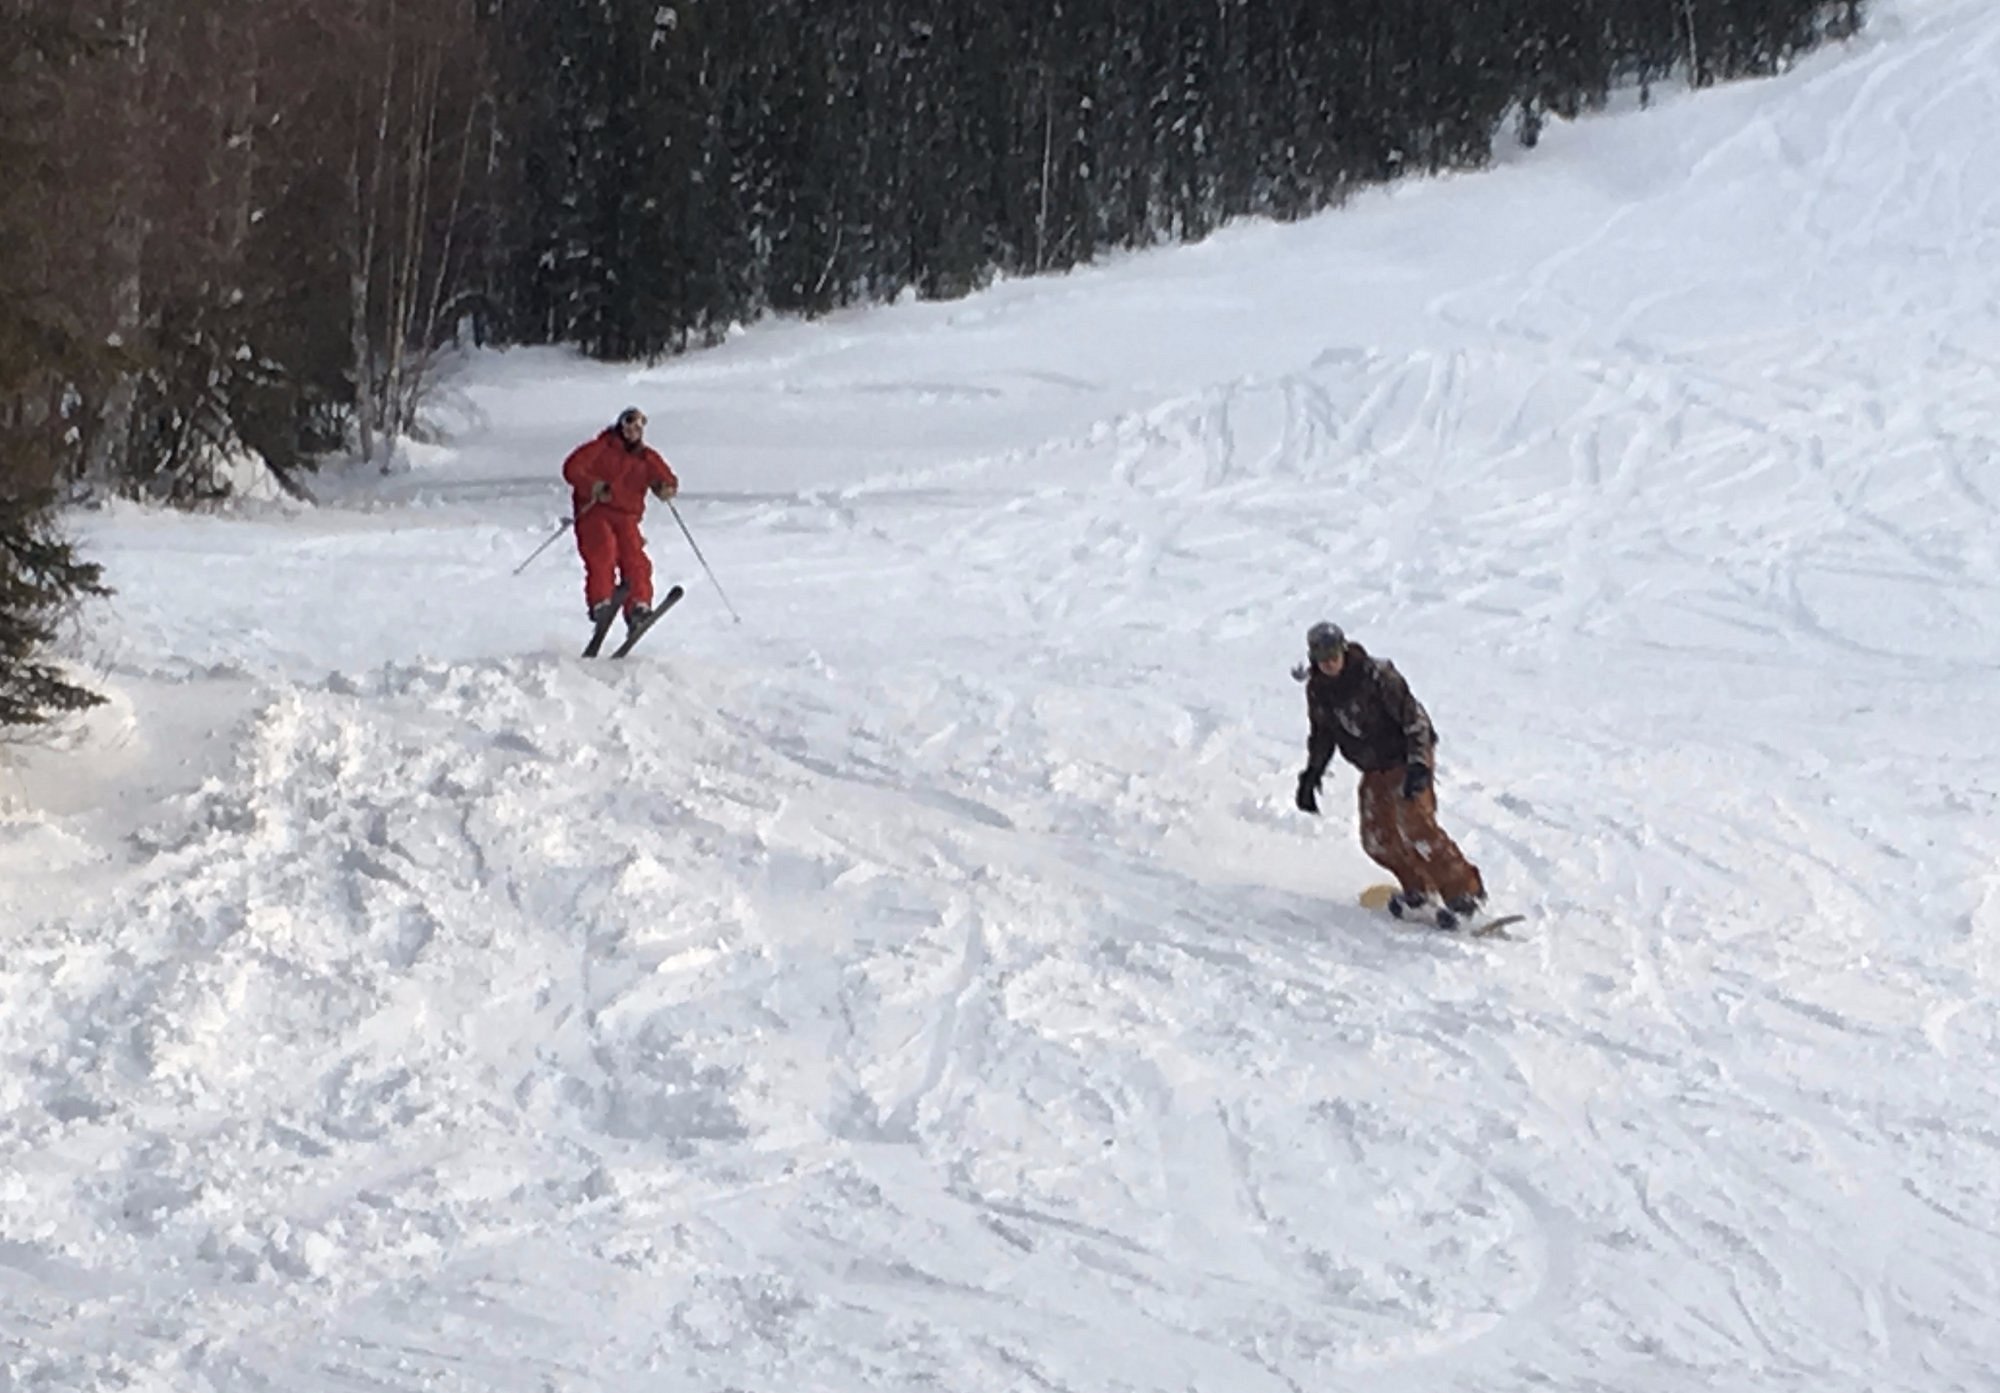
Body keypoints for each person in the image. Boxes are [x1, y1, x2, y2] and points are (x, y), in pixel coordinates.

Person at [1291, 621, 1487, 924]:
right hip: (1374, 766)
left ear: (1343, 650)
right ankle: (1418, 890)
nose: (1329, 662)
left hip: (1407, 757)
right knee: (1376, 839)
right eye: (1321, 657)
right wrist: (1312, 774)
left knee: (1415, 825)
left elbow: (1415, 720)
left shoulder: (1378, 676)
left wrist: (1420, 764)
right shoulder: (1319, 690)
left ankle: (1464, 892)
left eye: (1333, 654)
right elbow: (1322, 734)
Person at [562, 406, 679, 631]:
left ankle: (638, 606)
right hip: (595, 512)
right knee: (603, 552)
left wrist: (665, 488)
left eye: (639, 426)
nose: (633, 431)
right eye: (629, 423)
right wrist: (593, 486)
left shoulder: (646, 458)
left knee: (635, 559)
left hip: (627, 517)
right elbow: (571, 468)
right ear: (620, 425)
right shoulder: (599, 448)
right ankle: (601, 602)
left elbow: (666, 478)